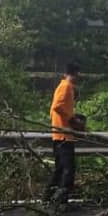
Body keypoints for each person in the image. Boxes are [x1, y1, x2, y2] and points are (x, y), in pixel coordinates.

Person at [45, 61, 81, 205]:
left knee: (60, 169)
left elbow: (57, 109)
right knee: (68, 169)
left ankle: (48, 197)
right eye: (78, 74)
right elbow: (57, 107)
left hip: (61, 133)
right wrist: (72, 119)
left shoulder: (65, 87)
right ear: (75, 73)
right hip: (64, 135)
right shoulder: (66, 87)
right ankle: (61, 201)